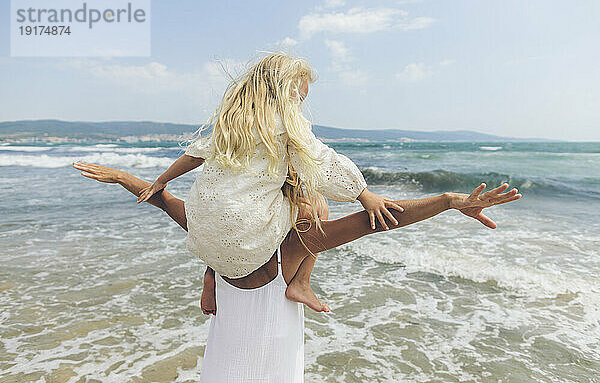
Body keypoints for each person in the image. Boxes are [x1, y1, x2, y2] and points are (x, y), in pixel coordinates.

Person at [72, 162, 521, 382]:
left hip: (237, 340)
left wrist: (120, 177)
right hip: (265, 342)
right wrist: (445, 201)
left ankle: (300, 286)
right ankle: (300, 286)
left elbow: (163, 200)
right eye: (304, 198)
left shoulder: (231, 233)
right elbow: (377, 220)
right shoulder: (292, 242)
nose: (310, 207)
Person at [135, 53, 404, 313]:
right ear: (281, 92)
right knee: (316, 207)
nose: (299, 105)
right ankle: (301, 283)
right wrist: (363, 194)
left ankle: (212, 275)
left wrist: (161, 181)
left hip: (205, 229)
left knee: (239, 203)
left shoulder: (233, 123)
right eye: (298, 98)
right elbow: (323, 160)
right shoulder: (288, 123)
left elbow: (193, 157)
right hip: (245, 235)